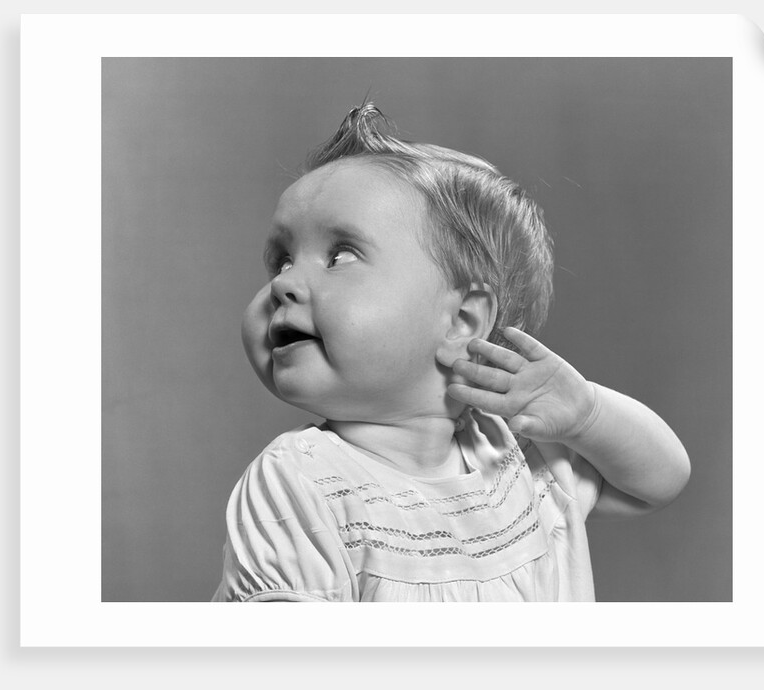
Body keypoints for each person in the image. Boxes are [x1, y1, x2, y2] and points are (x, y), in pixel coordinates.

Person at [212, 103, 690, 602]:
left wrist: (586, 415)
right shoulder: (300, 481)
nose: (284, 283)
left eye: (339, 256)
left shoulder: (515, 459)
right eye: (281, 261)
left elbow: (659, 481)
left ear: (461, 321)